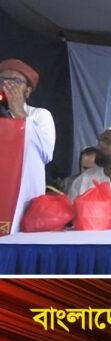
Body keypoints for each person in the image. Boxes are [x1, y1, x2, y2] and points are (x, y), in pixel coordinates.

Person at [0, 59, 56, 235]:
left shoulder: (39, 115)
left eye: (16, 81)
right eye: (2, 80)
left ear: (28, 90)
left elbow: (47, 152)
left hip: (23, 196)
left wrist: (19, 113)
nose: (7, 85)